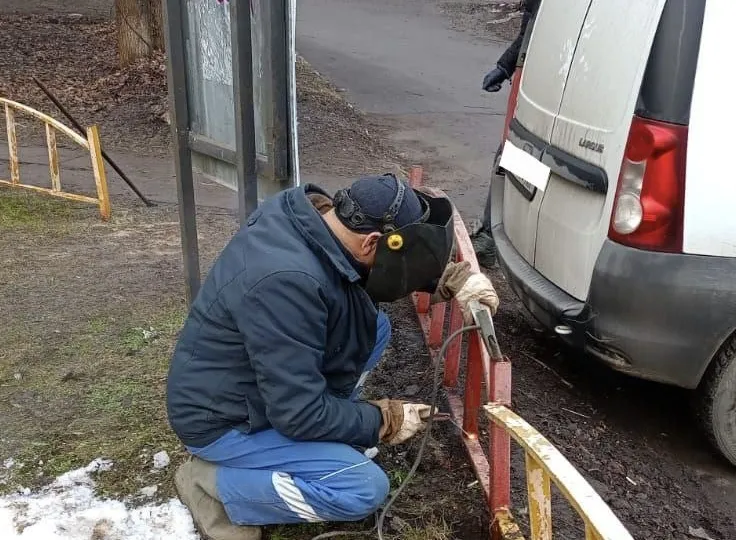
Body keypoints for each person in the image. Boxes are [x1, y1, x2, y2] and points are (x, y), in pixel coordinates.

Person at [166, 173, 500, 539]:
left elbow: (363, 266)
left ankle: (325, 432)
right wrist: (381, 420)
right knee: (361, 489)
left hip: (257, 387)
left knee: (375, 329)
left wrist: (449, 278)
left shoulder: (316, 219)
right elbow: (298, 413)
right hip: (224, 420)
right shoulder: (285, 282)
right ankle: (213, 485)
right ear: (373, 241)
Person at [472, 0, 542, 268]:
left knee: (523, 158)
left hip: (548, 74)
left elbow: (539, 29)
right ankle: (496, 235)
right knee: (514, 155)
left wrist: (506, 66)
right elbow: (532, 28)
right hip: (533, 68)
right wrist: (506, 66)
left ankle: (501, 238)